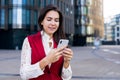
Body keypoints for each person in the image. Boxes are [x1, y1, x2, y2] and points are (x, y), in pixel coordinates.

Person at [20, 4, 73, 80]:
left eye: (56, 20)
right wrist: (46, 60)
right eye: (49, 19)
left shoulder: (60, 43)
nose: (53, 23)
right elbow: (23, 74)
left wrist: (66, 62)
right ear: (42, 21)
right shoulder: (29, 41)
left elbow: (67, 77)